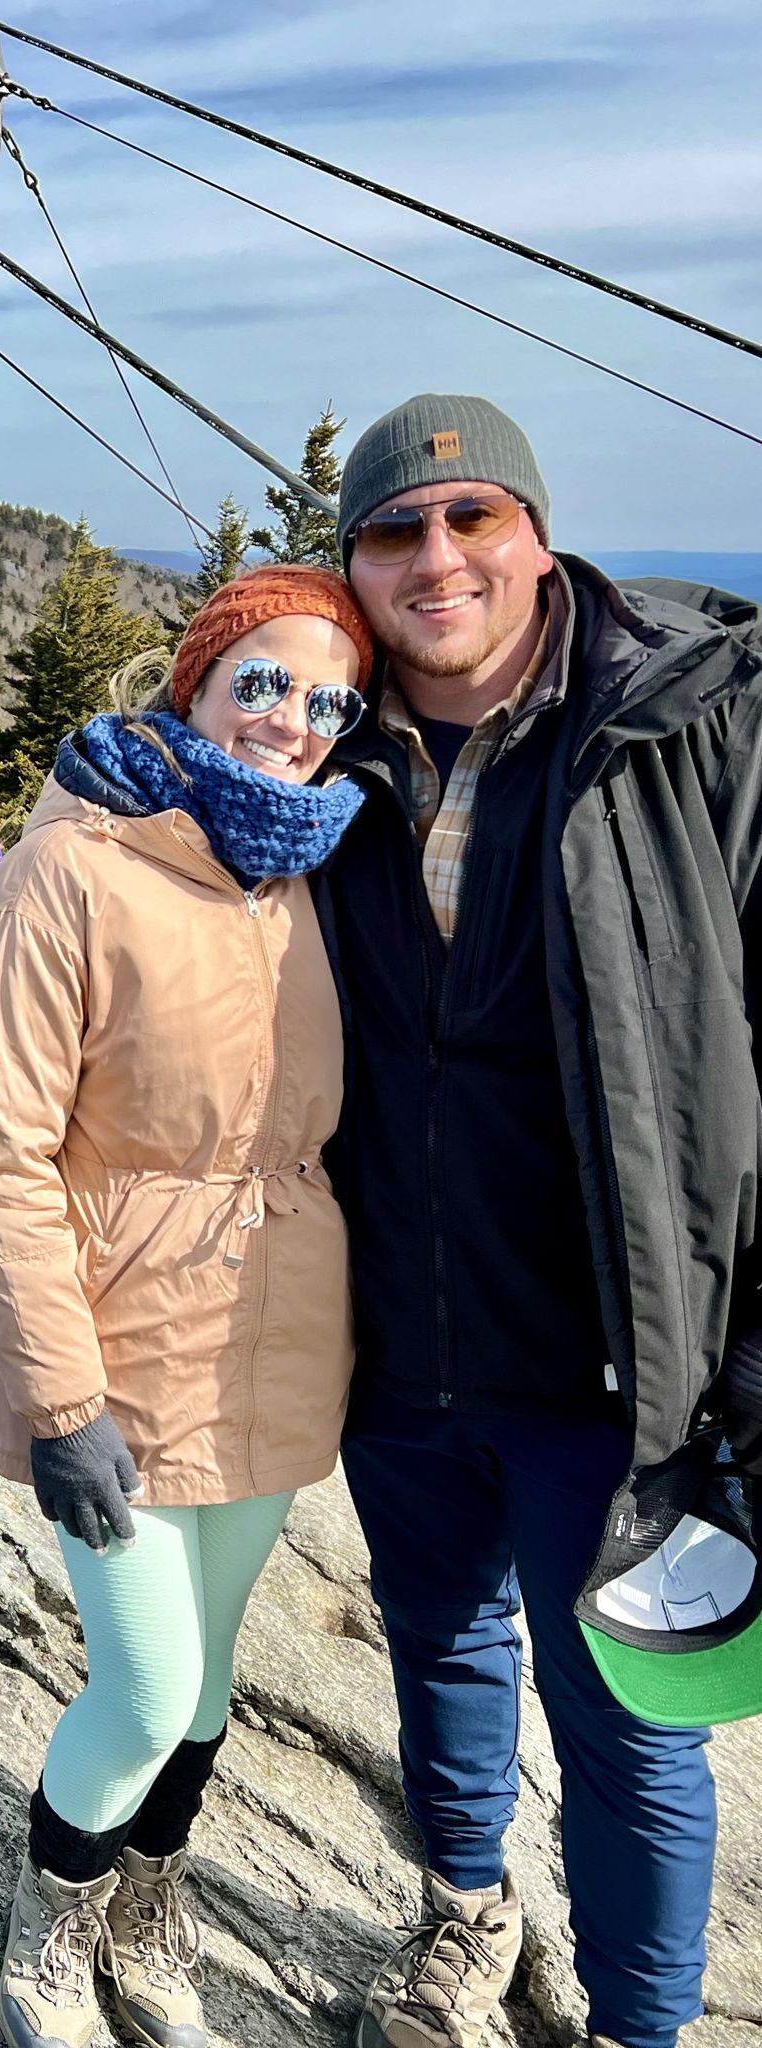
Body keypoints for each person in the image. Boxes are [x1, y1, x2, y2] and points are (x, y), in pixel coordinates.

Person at [319, 396, 762, 2048]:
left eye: (470, 517)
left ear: (534, 529)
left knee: (635, 1727)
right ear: (351, 568)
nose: (436, 557)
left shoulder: (695, 720)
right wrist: (101, 794)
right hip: (395, 1330)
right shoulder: (316, 745)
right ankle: (465, 1918)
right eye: (392, 531)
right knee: (438, 1633)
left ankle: (642, 2030)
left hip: (621, 1340)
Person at [0, 563, 376, 2048]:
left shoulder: (311, 874)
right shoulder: (70, 870)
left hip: (274, 1341)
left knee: (209, 1676)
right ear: (192, 684)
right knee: (142, 1683)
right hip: (117, 1350)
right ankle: (51, 1910)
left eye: (329, 700)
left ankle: (146, 1892)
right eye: (260, 682)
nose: (292, 721)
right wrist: (57, 1404)